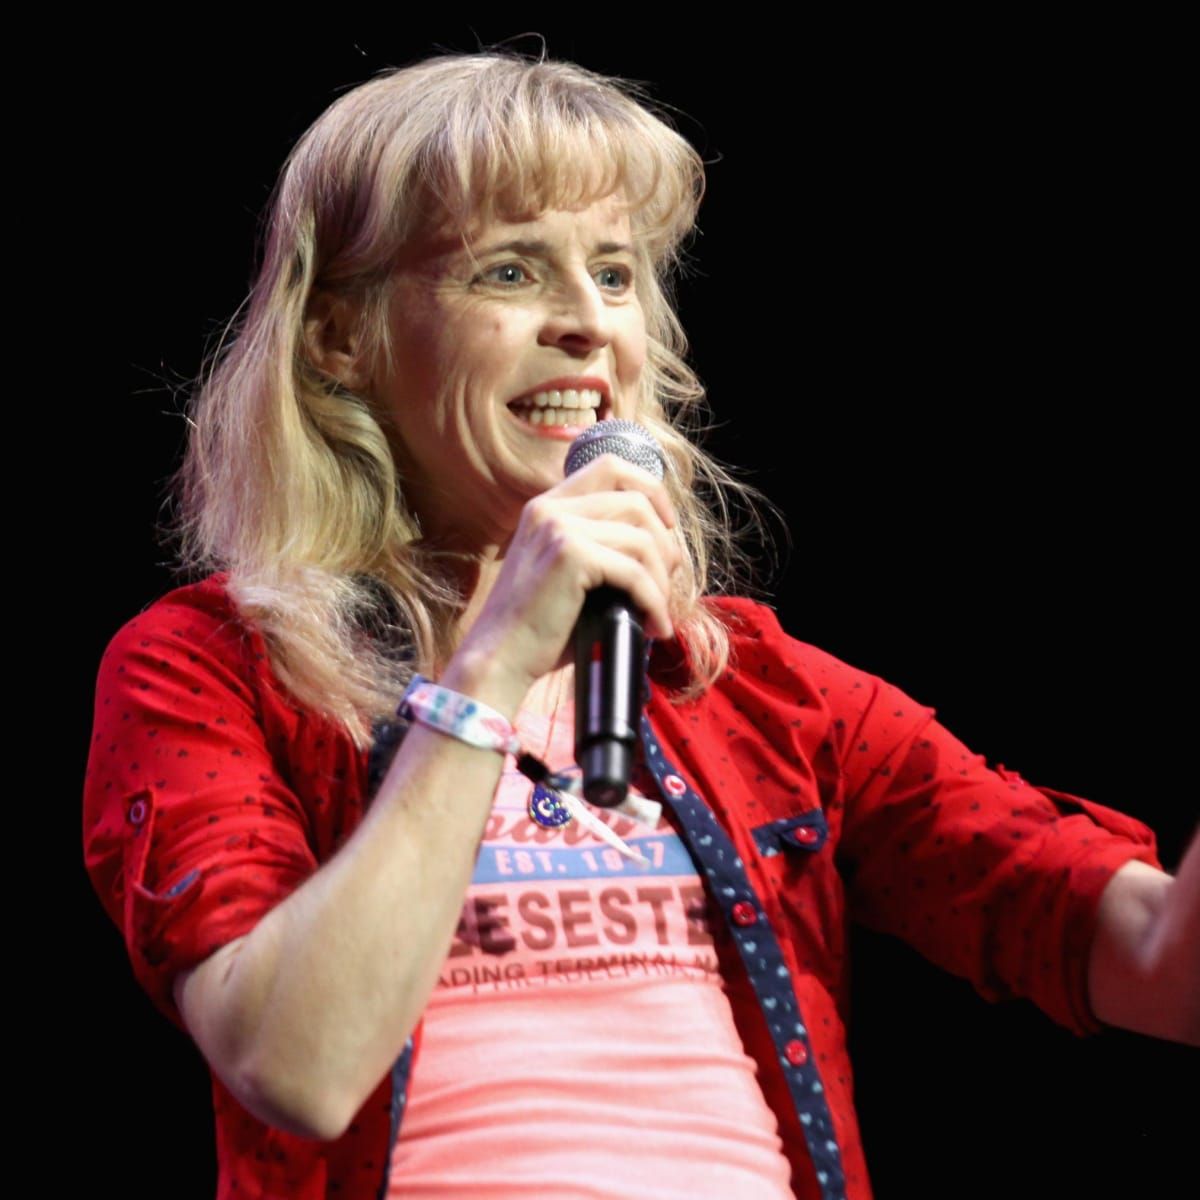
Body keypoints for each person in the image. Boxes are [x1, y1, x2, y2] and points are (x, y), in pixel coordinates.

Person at [83, 50, 1198, 1200]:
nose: (586, 325)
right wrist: (496, 662)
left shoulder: (755, 686)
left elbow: (1167, 969)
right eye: (510, 270)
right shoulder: (210, 667)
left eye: (614, 275)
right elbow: (297, 1064)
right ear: (338, 336)